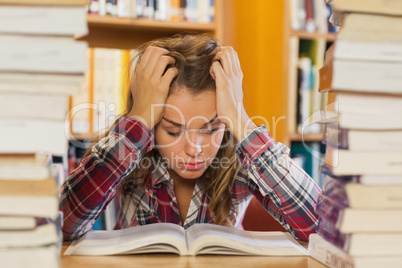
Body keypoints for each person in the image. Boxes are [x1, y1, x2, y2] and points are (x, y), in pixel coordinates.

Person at [59, 33, 321, 242]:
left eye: (211, 129)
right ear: (151, 126)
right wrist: (138, 119)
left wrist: (240, 120)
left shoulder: (237, 163)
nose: (194, 149)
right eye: (173, 131)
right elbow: (62, 225)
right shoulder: (129, 154)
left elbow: (320, 228)